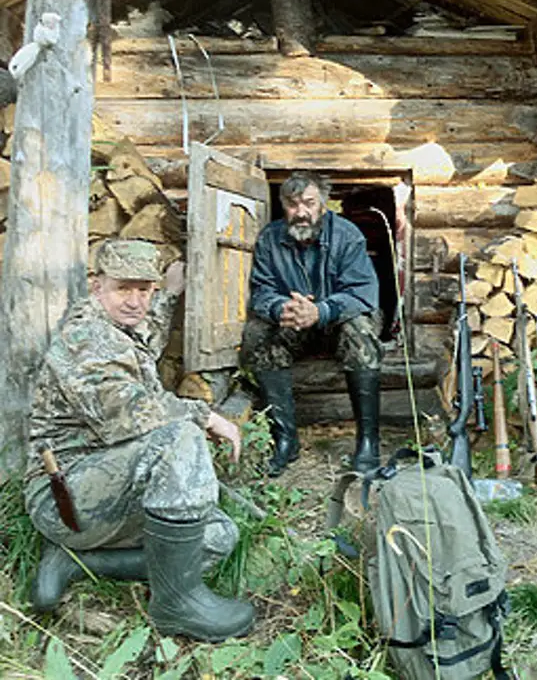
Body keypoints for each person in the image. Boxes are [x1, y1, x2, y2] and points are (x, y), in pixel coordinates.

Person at [24, 239, 255, 642]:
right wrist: (206, 416)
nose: (135, 301)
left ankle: (75, 563)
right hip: (64, 495)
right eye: (123, 288)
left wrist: (169, 292)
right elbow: (129, 417)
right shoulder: (88, 340)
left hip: (107, 487)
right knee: (178, 437)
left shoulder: (122, 325)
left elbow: (150, 325)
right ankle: (176, 605)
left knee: (218, 536)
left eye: (144, 289)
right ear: (97, 286)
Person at [241, 171, 383, 478]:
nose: (301, 212)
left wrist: (321, 310)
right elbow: (262, 290)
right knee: (257, 332)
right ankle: (285, 439)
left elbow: (363, 293)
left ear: (323, 204)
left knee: (360, 329)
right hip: (295, 324)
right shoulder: (269, 239)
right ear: (283, 205)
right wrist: (281, 308)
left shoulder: (347, 235)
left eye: (309, 203)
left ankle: (369, 441)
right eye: (292, 204)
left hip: (337, 323)